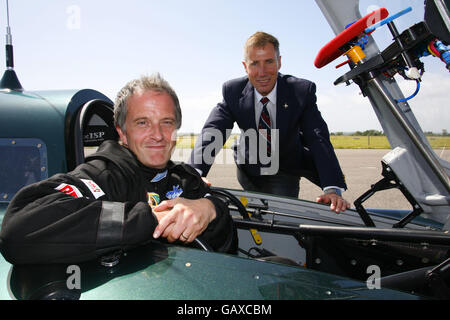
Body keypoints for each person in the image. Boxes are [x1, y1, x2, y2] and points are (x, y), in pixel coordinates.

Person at [0, 73, 237, 265]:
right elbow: (19, 228)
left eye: (167, 122)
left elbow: (229, 248)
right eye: (142, 123)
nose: (158, 135)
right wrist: (150, 218)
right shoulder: (103, 176)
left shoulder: (183, 178)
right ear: (122, 132)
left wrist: (210, 209)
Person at [189, 31, 350, 213]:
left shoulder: (300, 92)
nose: (262, 72)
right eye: (255, 64)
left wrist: (332, 188)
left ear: (279, 62)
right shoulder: (233, 91)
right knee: (257, 216)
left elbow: (317, 137)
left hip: (285, 167)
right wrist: (194, 174)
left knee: (282, 216)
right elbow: (214, 131)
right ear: (245, 66)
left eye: (269, 62)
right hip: (248, 166)